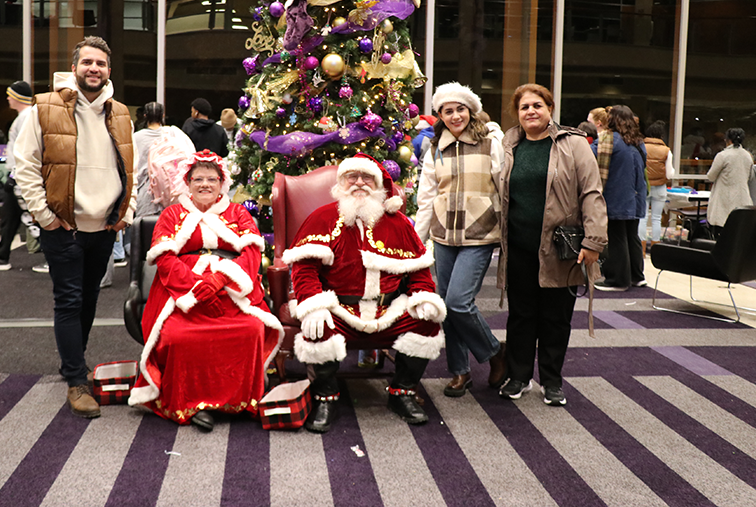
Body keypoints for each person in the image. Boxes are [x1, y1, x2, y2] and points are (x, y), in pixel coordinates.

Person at [14, 36, 137, 419]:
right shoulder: (45, 108)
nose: (93, 69)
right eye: (87, 62)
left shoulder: (121, 113)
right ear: (75, 68)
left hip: (104, 228)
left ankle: (74, 362)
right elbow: (25, 164)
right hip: (63, 225)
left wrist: (125, 212)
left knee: (88, 299)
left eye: (100, 63)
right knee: (69, 300)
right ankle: (75, 380)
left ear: (109, 70)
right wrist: (44, 215)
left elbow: (131, 169)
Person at [283, 154, 446, 433]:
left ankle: (402, 392)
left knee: (427, 322)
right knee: (317, 326)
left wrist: (423, 296)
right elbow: (304, 269)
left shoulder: (399, 224)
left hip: (389, 309)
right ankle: (325, 397)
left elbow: (418, 270)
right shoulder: (322, 218)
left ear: (379, 184)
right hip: (340, 310)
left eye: (367, 177)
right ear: (341, 183)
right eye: (352, 177)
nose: (359, 182)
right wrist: (314, 304)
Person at [128, 150, 283, 431]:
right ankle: (190, 403)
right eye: (198, 179)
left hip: (232, 290)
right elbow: (165, 259)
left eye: (212, 179)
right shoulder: (171, 214)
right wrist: (197, 288)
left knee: (250, 329)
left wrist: (219, 280)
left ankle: (240, 399)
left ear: (222, 183)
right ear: (187, 182)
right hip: (181, 293)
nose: (205, 185)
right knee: (177, 335)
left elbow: (251, 255)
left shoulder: (238, 213)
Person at [498, 84, 606, 406]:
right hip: (519, 247)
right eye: (524, 107)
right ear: (517, 114)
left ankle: (551, 380)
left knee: (555, 318)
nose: (531, 111)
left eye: (537, 105)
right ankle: (518, 376)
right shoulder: (510, 144)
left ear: (550, 109)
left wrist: (594, 240)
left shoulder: (574, 144)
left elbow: (592, 193)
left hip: (561, 249)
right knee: (520, 316)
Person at [415, 82, 506, 398]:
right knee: (445, 306)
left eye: (460, 110)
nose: (455, 116)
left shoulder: (490, 143)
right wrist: (417, 242)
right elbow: (426, 198)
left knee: (458, 302)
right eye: (448, 111)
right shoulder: (434, 148)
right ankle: (459, 371)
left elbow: (504, 189)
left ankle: (495, 352)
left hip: (479, 234)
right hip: (443, 235)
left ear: (471, 111)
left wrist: (508, 233)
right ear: (440, 115)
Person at [0, 81, 49, 271]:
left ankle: (53, 257)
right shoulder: (25, 117)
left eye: (11, 94)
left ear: (18, 97)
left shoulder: (27, 117)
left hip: (22, 177)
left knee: (33, 218)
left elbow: (26, 149)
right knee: (11, 217)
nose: (8, 98)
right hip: (19, 176)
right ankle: (2, 256)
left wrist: (16, 175)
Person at [591, 105, 647, 292]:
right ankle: (636, 276)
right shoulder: (638, 142)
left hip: (616, 195)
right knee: (632, 235)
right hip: (636, 196)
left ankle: (618, 280)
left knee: (616, 238)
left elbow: (589, 155)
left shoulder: (609, 139)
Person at [133, 101, 194, 218]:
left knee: (146, 228)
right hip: (172, 193)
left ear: (145, 116)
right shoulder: (174, 134)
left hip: (146, 196)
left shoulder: (136, 137)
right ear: (163, 116)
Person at [707, 127, 754, 237]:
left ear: (727, 140)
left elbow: (711, 176)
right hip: (742, 199)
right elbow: (750, 177)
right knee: (738, 234)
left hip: (724, 200)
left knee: (722, 234)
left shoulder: (723, 155)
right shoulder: (748, 156)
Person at [639, 120, 674, 250]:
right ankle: (655, 248)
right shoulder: (666, 151)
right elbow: (670, 174)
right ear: (661, 135)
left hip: (643, 186)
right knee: (656, 218)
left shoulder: (641, 147)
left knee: (642, 218)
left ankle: (641, 249)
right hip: (660, 188)